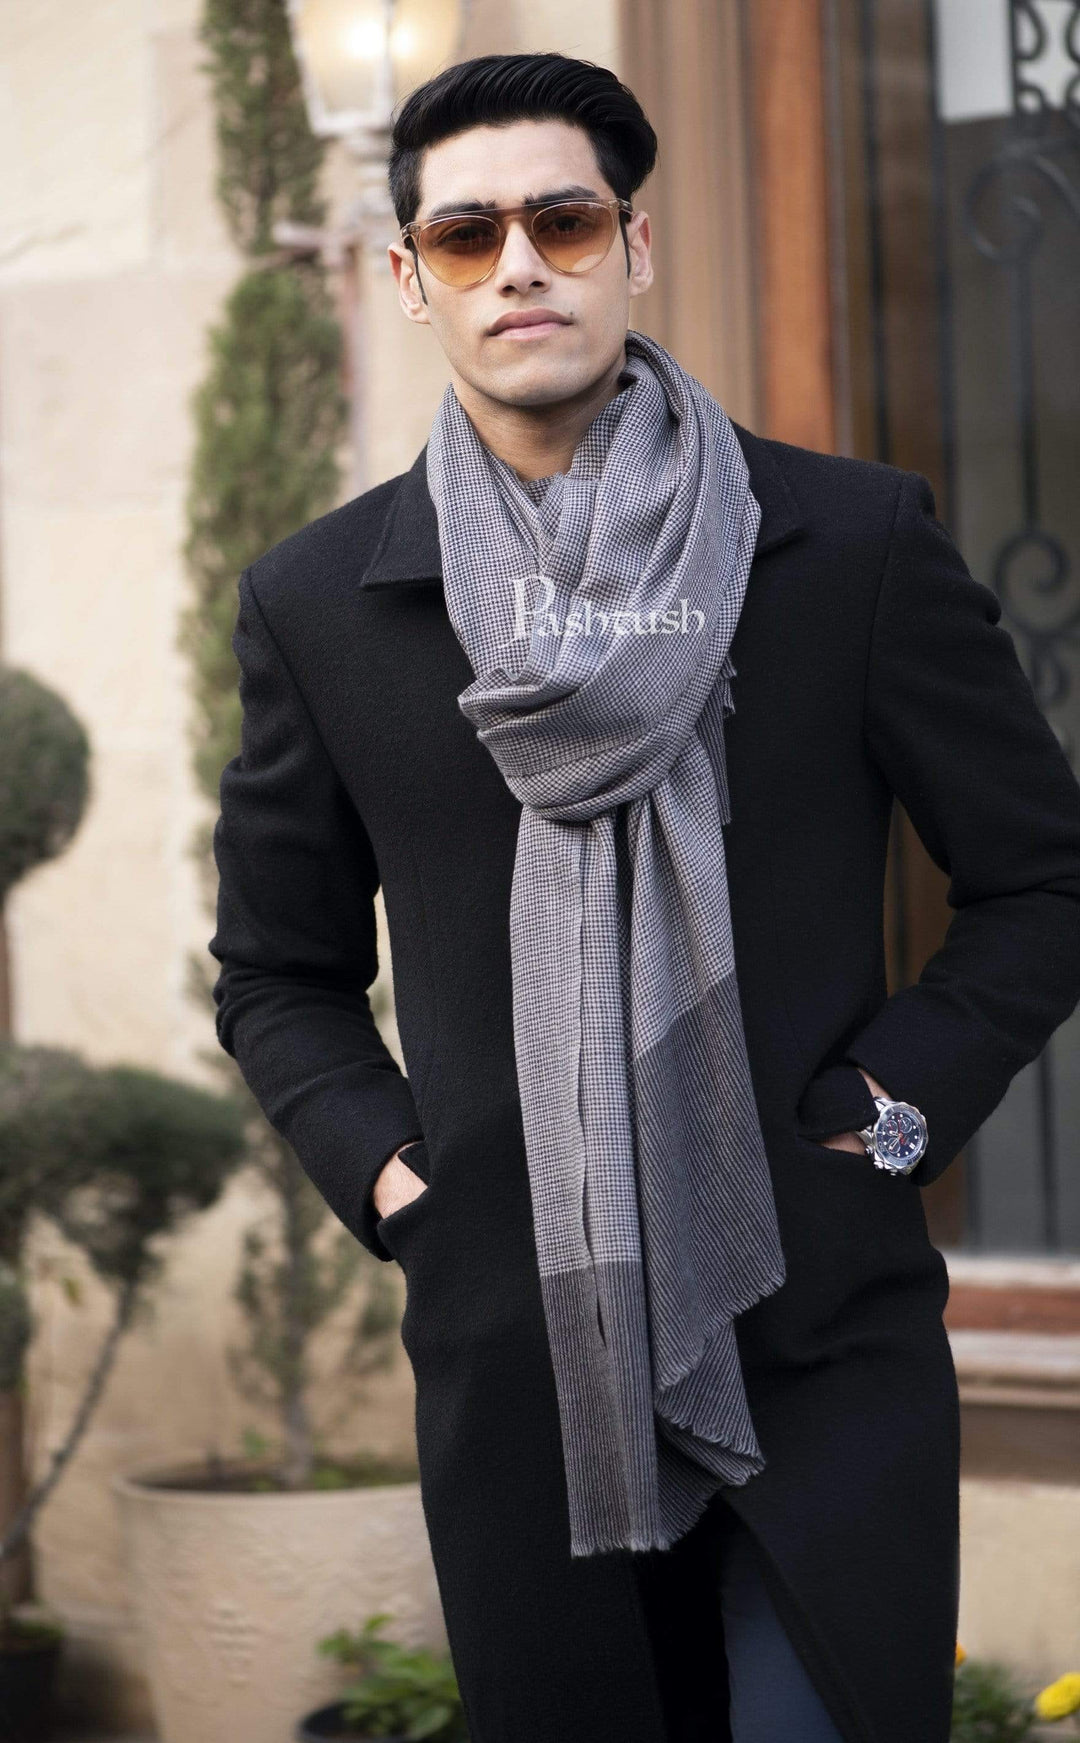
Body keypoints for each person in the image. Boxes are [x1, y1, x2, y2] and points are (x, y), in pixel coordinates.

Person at [207, 51, 1080, 1743]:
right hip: (520, 1344)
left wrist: (893, 1111)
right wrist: (400, 1179)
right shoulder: (323, 605)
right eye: (467, 236)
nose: (519, 265)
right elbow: (275, 973)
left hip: (816, 1314)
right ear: (412, 280)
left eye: (565, 219)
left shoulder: (846, 545)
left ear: (637, 246)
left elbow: (1043, 877)